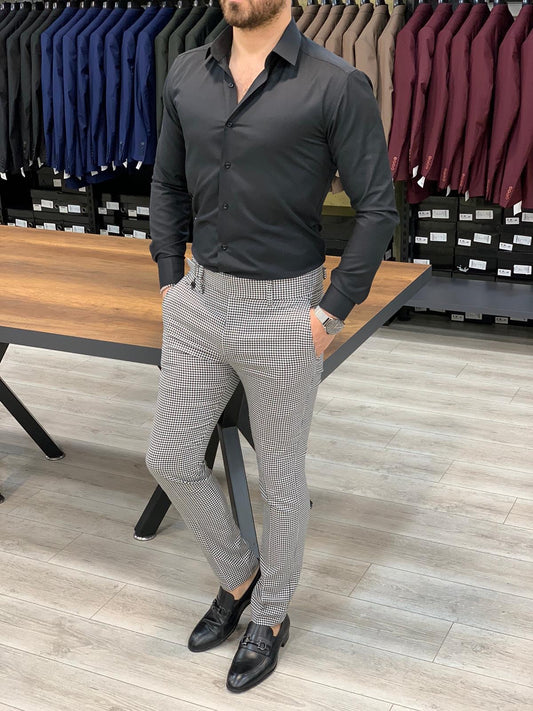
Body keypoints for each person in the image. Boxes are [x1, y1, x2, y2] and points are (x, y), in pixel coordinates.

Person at [145, 0, 398, 694]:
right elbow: (166, 182)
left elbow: (378, 207)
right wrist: (169, 278)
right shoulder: (186, 73)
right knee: (169, 455)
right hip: (199, 301)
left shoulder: (336, 83)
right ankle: (239, 577)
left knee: (281, 477)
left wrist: (331, 310)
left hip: (285, 311)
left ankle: (271, 615)